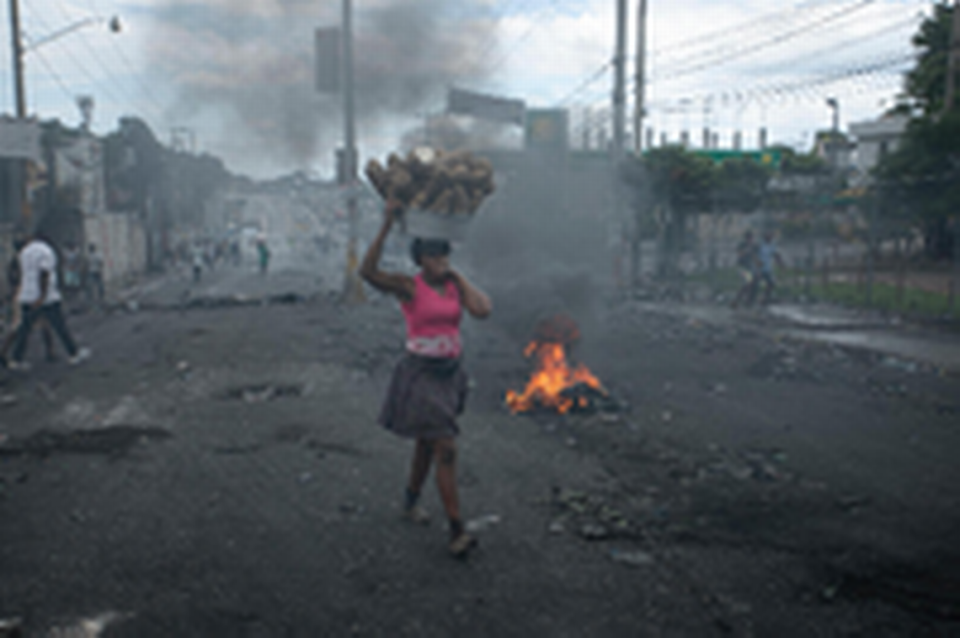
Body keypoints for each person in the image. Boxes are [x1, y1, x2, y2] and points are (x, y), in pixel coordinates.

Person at [360, 199, 492, 558]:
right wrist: (386, 226)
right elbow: (367, 272)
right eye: (435, 258)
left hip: (450, 374)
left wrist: (458, 277)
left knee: (427, 442)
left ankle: (409, 500)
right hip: (420, 374)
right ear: (421, 260)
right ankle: (456, 530)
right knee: (445, 447)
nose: (442, 263)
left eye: (446, 257)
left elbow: (483, 310)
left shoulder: (452, 287)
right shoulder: (409, 287)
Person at [7, 231, 91, 371]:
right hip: (47, 297)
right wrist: (42, 296)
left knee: (24, 329)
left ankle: (16, 359)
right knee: (60, 326)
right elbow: (44, 274)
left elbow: (26, 274)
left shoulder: (24, 253)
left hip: (27, 296)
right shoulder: (46, 251)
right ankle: (74, 353)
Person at [0, 236, 55, 365]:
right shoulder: (24, 259)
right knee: (20, 326)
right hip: (26, 295)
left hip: (25, 294)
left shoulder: (18, 260)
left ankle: (50, 352)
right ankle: (6, 354)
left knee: (42, 323)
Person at [756, 230, 785, 305]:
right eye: (768, 236)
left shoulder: (772, 245)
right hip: (758, 269)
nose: (770, 238)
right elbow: (755, 256)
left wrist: (781, 264)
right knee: (754, 285)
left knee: (771, 284)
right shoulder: (760, 244)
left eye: (771, 237)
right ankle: (750, 301)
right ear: (765, 237)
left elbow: (776, 255)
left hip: (767, 269)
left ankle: (764, 298)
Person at [731, 230, 759, 309]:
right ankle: (736, 300)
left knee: (755, 282)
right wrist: (746, 250)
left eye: (752, 238)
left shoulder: (754, 246)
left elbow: (755, 258)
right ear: (746, 238)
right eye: (749, 238)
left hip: (750, 267)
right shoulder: (742, 245)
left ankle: (749, 301)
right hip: (742, 267)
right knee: (748, 283)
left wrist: (758, 268)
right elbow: (739, 255)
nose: (751, 240)